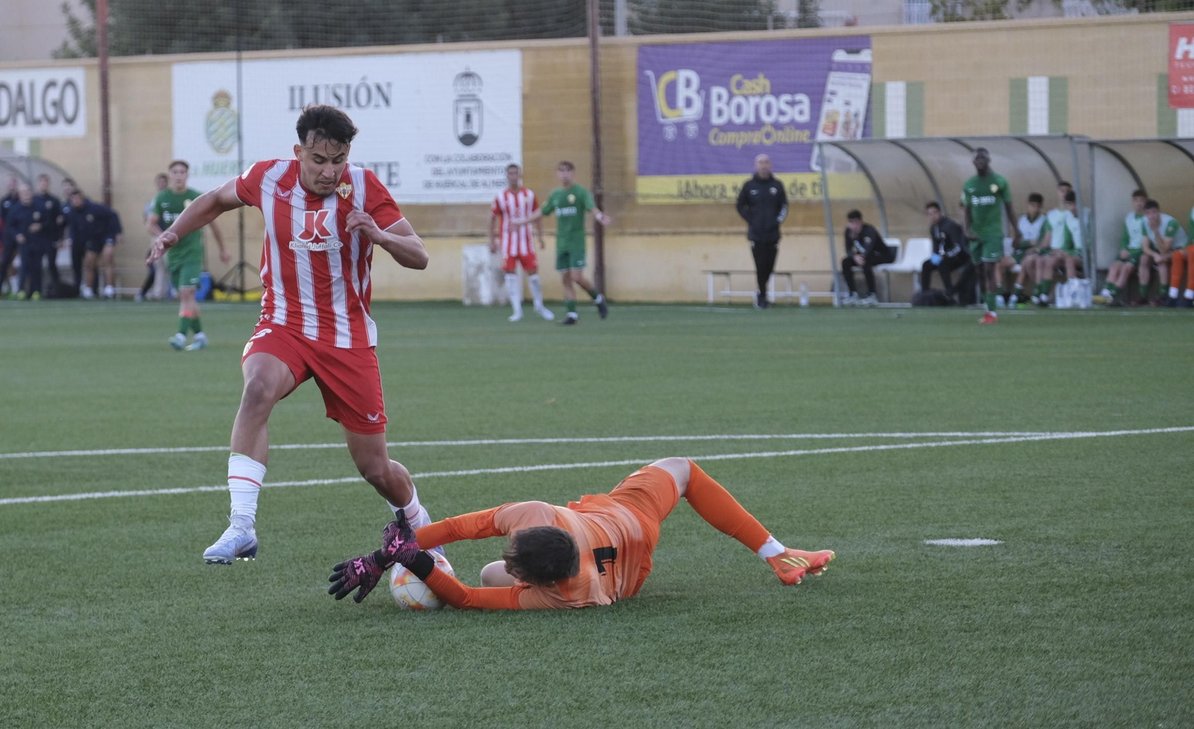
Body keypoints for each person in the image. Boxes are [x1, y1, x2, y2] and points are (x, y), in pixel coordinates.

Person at [145, 104, 435, 565]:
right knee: (257, 389)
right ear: (298, 152)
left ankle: (422, 526)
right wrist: (173, 235)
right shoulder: (269, 179)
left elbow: (418, 256)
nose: (329, 171)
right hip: (285, 323)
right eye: (319, 160)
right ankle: (241, 525)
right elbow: (215, 200)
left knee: (375, 467)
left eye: (338, 160)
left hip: (347, 337)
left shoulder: (363, 187)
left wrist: (379, 235)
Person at [328, 457, 833, 609]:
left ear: (537, 581)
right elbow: (461, 527)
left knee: (485, 572)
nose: (508, 544)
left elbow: (463, 595)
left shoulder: (568, 595)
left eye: (515, 559)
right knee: (682, 470)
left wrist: (409, 560)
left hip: (622, 571)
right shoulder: (538, 519)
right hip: (630, 521)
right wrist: (386, 554)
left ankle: (778, 553)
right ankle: (777, 553)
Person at [150, 160, 230, 349]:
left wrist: (223, 249)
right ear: (170, 176)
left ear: (187, 175)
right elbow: (150, 222)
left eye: (182, 172)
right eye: (175, 172)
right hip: (174, 256)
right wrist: (162, 237)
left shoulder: (195, 197)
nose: (178, 175)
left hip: (192, 255)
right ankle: (201, 336)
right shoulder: (163, 198)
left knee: (187, 293)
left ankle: (180, 335)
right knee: (187, 298)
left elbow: (214, 224)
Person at [527, 161, 610, 324]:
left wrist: (600, 216)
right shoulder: (555, 195)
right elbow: (542, 212)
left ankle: (598, 298)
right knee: (565, 278)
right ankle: (572, 314)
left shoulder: (580, 192)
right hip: (562, 243)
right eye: (561, 171)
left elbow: (591, 207)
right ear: (558, 174)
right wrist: (522, 221)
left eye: (567, 171)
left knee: (576, 276)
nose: (564, 174)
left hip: (576, 242)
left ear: (573, 173)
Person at [961, 147, 1018, 324]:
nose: (979, 162)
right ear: (973, 162)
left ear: (988, 160)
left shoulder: (999, 182)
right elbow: (967, 210)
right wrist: (966, 230)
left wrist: (1017, 231)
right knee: (979, 272)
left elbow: (1009, 208)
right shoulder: (969, 184)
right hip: (976, 235)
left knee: (989, 269)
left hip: (992, 234)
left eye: (982, 159)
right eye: (976, 159)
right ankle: (989, 306)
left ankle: (992, 313)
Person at [490, 163, 553, 322]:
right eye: (510, 173)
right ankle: (517, 310)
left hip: (526, 242)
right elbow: (492, 218)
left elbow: (537, 215)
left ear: (520, 175)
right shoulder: (501, 197)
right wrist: (492, 240)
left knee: (533, 275)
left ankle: (539, 305)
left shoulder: (529, 195)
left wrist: (540, 236)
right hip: (508, 244)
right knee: (510, 275)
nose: (513, 176)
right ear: (506, 176)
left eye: (515, 173)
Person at [736, 153, 787, 310]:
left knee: (770, 266)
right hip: (756, 235)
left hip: (772, 234)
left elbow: (784, 207)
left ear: (770, 165)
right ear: (756, 166)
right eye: (761, 163)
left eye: (766, 163)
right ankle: (762, 295)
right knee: (760, 265)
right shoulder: (749, 186)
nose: (764, 166)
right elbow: (740, 205)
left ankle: (762, 293)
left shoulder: (777, 185)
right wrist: (752, 220)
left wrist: (776, 222)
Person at [1104, 189, 1148, 305]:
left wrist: (1133, 252)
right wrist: (1123, 249)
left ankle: (1112, 296)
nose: (1139, 203)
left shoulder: (1148, 219)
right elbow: (1125, 237)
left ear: (1145, 202)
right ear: (1132, 202)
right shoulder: (1129, 217)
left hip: (1140, 251)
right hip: (1128, 250)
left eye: (1142, 200)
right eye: (1136, 201)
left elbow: (1148, 243)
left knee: (1125, 269)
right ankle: (1104, 292)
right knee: (1114, 267)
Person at [921, 201, 971, 301]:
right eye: (929, 214)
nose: (932, 216)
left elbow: (958, 247)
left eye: (934, 213)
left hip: (959, 257)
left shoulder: (950, 225)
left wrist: (945, 256)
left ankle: (949, 291)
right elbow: (936, 246)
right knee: (926, 265)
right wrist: (935, 256)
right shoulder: (933, 228)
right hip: (945, 257)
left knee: (942, 264)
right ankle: (924, 292)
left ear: (940, 212)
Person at [1139, 200, 1187, 306]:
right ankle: (1143, 296)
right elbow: (1145, 247)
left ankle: (1163, 295)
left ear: (1159, 211)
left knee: (1162, 259)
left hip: (1179, 249)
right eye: (1148, 213)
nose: (1152, 216)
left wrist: (1156, 231)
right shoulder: (1144, 223)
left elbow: (1163, 249)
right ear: (1145, 214)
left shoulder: (1170, 223)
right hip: (1161, 250)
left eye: (1154, 212)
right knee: (1144, 258)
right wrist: (1154, 255)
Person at [839, 210, 887, 306]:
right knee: (845, 262)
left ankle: (872, 295)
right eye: (850, 222)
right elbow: (848, 249)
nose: (853, 225)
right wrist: (854, 256)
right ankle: (853, 294)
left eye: (855, 222)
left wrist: (860, 257)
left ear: (860, 221)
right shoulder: (848, 232)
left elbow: (869, 248)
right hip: (861, 256)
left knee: (866, 262)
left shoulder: (869, 230)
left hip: (880, 255)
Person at [1012, 193, 1052, 306]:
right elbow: (1015, 243)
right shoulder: (1022, 221)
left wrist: (1034, 247)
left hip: (1036, 253)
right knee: (998, 263)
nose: (1034, 209)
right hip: (1021, 252)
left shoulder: (1044, 221)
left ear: (1041, 207)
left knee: (1028, 261)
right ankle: (1000, 296)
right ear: (1028, 205)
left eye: (1037, 206)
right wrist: (1028, 243)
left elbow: (1043, 242)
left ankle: (1017, 296)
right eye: (1032, 205)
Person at [12, 182, 48, 300]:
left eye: (28, 191)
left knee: (37, 266)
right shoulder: (16, 208)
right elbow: (10, 226)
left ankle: (36, 291)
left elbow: (48, 222)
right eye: (23, 192)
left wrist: (40, 226)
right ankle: (21, 290)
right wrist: (17, 235)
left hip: (38, 241)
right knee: (24, 266)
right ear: (20, 194)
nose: (26, 194)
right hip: (24, 242)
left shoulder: (39, 206)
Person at [139, 172, 170, 301]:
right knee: (159, 265)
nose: (161, 185)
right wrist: (158, 234)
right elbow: (147, 221)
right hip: (157, 237)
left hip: (170, 235)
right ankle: (158, 293)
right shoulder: (152, 202)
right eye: (159, 182)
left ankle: (172, 292)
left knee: (170, 264)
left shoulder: (170, 199)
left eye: (164, 182)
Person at [33, 174, 65, 294]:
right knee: (37, 264)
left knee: (52, 263)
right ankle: (37, 290)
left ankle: (57, 290)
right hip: (37, 239)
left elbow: (60, 222)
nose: (43, 184)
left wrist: (60, 238)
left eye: (46, 182)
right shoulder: (34, 200)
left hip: (51, 238)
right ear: (38, 184)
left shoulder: (54, 201)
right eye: (41, 182)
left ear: (48, 184)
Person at [0, 176, 22, 298]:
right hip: (9, 237)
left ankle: (19, 289)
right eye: (9, 184)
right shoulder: (4, 201)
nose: (11, 186)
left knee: (22, 263)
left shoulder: (21, 200)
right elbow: (4, 222)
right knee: (4, 262)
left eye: (13, 183)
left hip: (23, 237)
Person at [99, 203, 124, 299]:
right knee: (89, 259)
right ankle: (87, 289)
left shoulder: (112, 214)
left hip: (108, 238)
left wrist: (119, 234)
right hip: (95, 239)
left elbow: (118, 232)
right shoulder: (93, 210)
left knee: (108, 258)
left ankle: (109, 288)